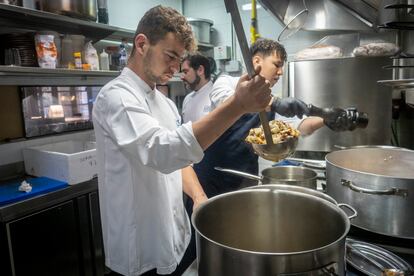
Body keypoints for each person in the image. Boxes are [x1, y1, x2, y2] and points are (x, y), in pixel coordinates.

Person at [92, 5, 275, 276]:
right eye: (170, 56)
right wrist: (238, 104)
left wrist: (199, 198)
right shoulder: (116, 97)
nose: (177, 68)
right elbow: (163, 152)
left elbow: (181, 159)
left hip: (172, 237)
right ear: (142, 44)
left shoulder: (164, 104)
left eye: (180, 59)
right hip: (139, 249)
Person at [182, 38, 345, 266]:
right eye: (276, 64)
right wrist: (275, 103)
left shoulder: (270, 99)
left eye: (282, 67)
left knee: (234, 244)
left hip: (242, 182)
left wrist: (327, 118)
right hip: (208, 181)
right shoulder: (227, 82)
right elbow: (229, 102)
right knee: (198, 248)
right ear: (256, 61)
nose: (280, 72)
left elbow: (300, 127)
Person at [180, 54, 213, 123]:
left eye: (185, 72)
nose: (182, 77)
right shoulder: (187, 99)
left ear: (200, 70)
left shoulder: (216, 97)